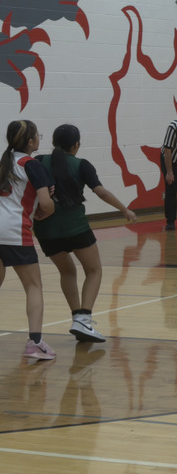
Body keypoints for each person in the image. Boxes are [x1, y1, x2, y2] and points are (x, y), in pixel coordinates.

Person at [35, 124, 138, 343]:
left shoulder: (38, 162)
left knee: (67, 271)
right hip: (76, 228)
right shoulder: (82, 165)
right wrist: (124, 209)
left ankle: (77, 318)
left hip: (46, 231)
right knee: (94, 270)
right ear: (76, 145)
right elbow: (100, 191)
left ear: (53, 142)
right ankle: (84, 319)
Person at [0, 120, 56, 360]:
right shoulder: (32, 165)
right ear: (31, 141)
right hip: (15, 231)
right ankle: (35, 343)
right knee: (33, 286)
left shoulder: (4, 162)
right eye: (38, 135)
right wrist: (47, 209)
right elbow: (45, 204)